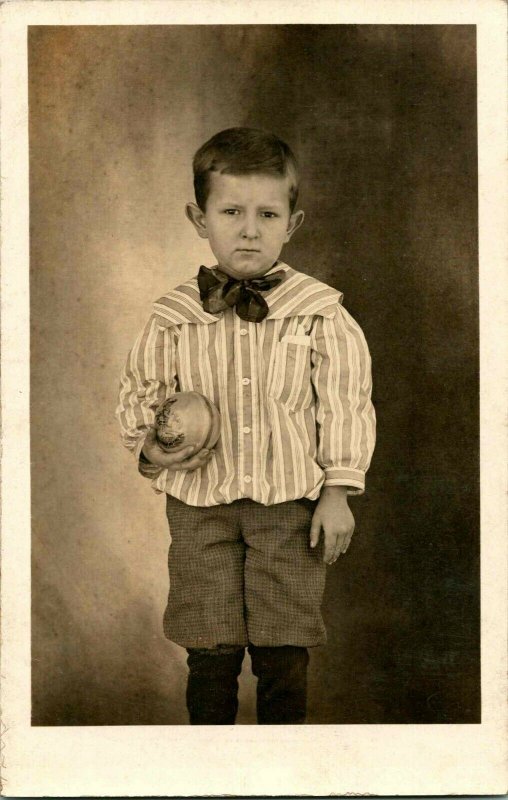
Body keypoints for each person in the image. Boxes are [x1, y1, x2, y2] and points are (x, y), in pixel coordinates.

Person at [116, 127, 376, 725]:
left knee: (283, 650)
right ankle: (215, 771)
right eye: (231, 211)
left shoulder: (320, 313)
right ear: (199, 217)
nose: (249, 229)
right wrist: (160, 443)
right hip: (200, 508)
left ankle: (280, 773)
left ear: (294, 222)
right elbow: (140, 395)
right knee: (210, 650)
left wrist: (337, 493)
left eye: (267, 213)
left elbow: (345, 403)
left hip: (289, 506)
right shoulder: (174, 317)